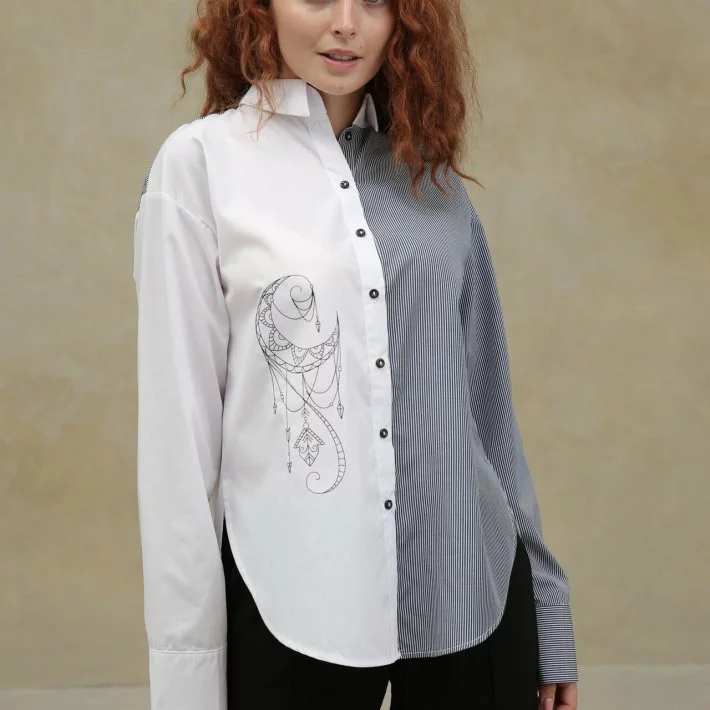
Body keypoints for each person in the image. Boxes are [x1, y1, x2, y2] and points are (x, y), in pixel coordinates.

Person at [132, 1, 579, 709]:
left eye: (374, 0)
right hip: (292, 600)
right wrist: (187, 678)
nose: (346, 24)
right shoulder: (201, 166)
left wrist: (549, 609)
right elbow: (176, 449)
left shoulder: (430, 179)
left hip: (474, 590)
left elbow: (489, 416)